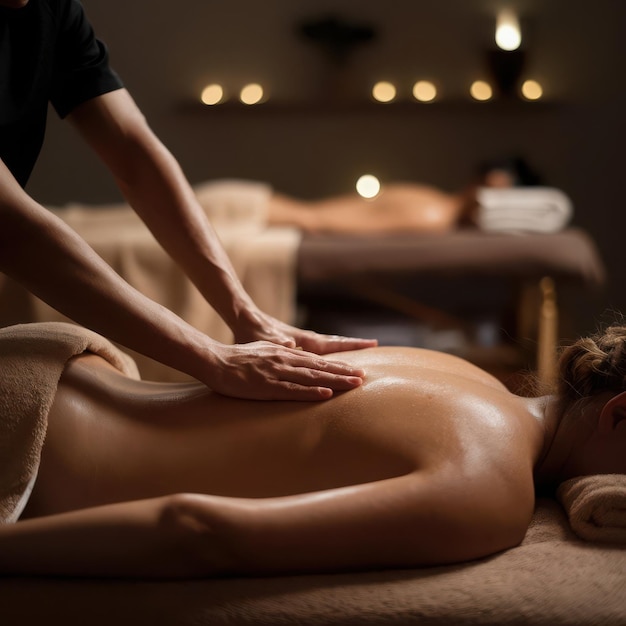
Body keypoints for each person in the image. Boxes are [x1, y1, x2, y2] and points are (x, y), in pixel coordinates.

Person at [1, 322, 624, 578]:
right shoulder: (489, 489)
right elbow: (196, 527)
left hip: (51, 362)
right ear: (619, 416)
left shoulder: (456, 368)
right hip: (26, 453)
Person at [0, 0, 375, 401]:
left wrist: (246, 317)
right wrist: (212, 357)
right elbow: (16, 229)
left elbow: (135, 155)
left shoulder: (51, 11)